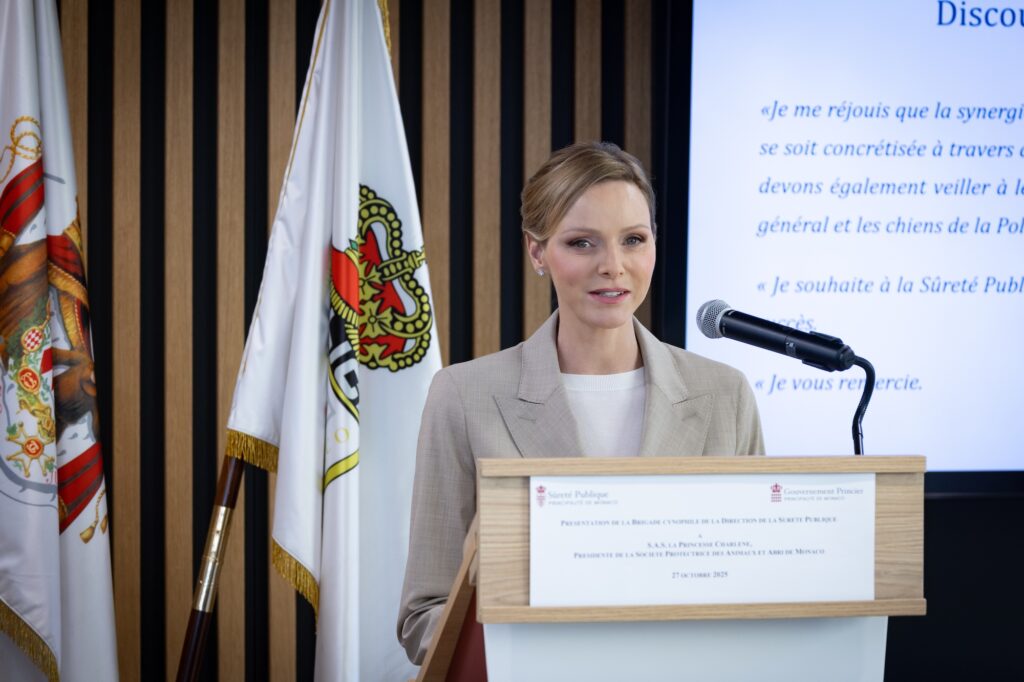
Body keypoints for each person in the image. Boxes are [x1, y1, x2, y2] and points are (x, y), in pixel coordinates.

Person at [397, 141, 765, 664]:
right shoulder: (462, 395)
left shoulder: (725, 394)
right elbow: (424, 618)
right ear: (537, 252)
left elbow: (756, 592)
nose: (613, 266)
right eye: (582, 243)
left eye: (633, 239)